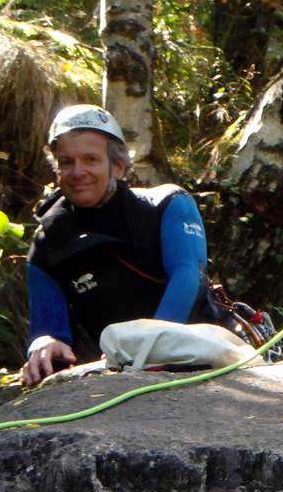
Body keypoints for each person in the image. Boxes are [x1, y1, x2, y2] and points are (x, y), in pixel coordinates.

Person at [22, 104, 210, 387]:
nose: (77, 172)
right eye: (66, 162)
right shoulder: (48, 243)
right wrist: (45, 343)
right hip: (120, 371)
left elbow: (188, 277)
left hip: (205, 350)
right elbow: (49, 327)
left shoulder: (168, 206)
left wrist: (144, 350)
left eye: (91, 160)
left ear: (118, 167)